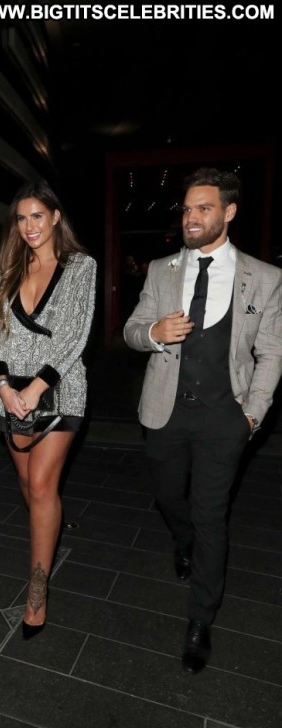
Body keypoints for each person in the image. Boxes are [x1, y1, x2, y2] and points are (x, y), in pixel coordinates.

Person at [124, 168, 282, 673]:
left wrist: (252, 415)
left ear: (229, 212)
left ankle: (200, 619)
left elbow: (270, 353)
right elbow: (130, 330)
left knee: (211, 514)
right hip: (164, 412)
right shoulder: (161, 270)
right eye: (188, 209)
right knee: (170, 497)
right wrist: (154, 331)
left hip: (224, 417)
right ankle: (183, 538)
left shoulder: (265, 277)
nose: (190, 217)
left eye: (203, 208)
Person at [0, 180, 96, 639]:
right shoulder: (5, 265)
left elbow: (75, 333)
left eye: (37, 216)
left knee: (41, 483)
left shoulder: (80, 266)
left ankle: (37, 593)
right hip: (10, 392)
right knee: (30, 488)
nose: (29, 226)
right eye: (21, 218)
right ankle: (50, 526)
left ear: (55, 217)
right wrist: (3, 385)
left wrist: (36, 388)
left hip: (60, 389)